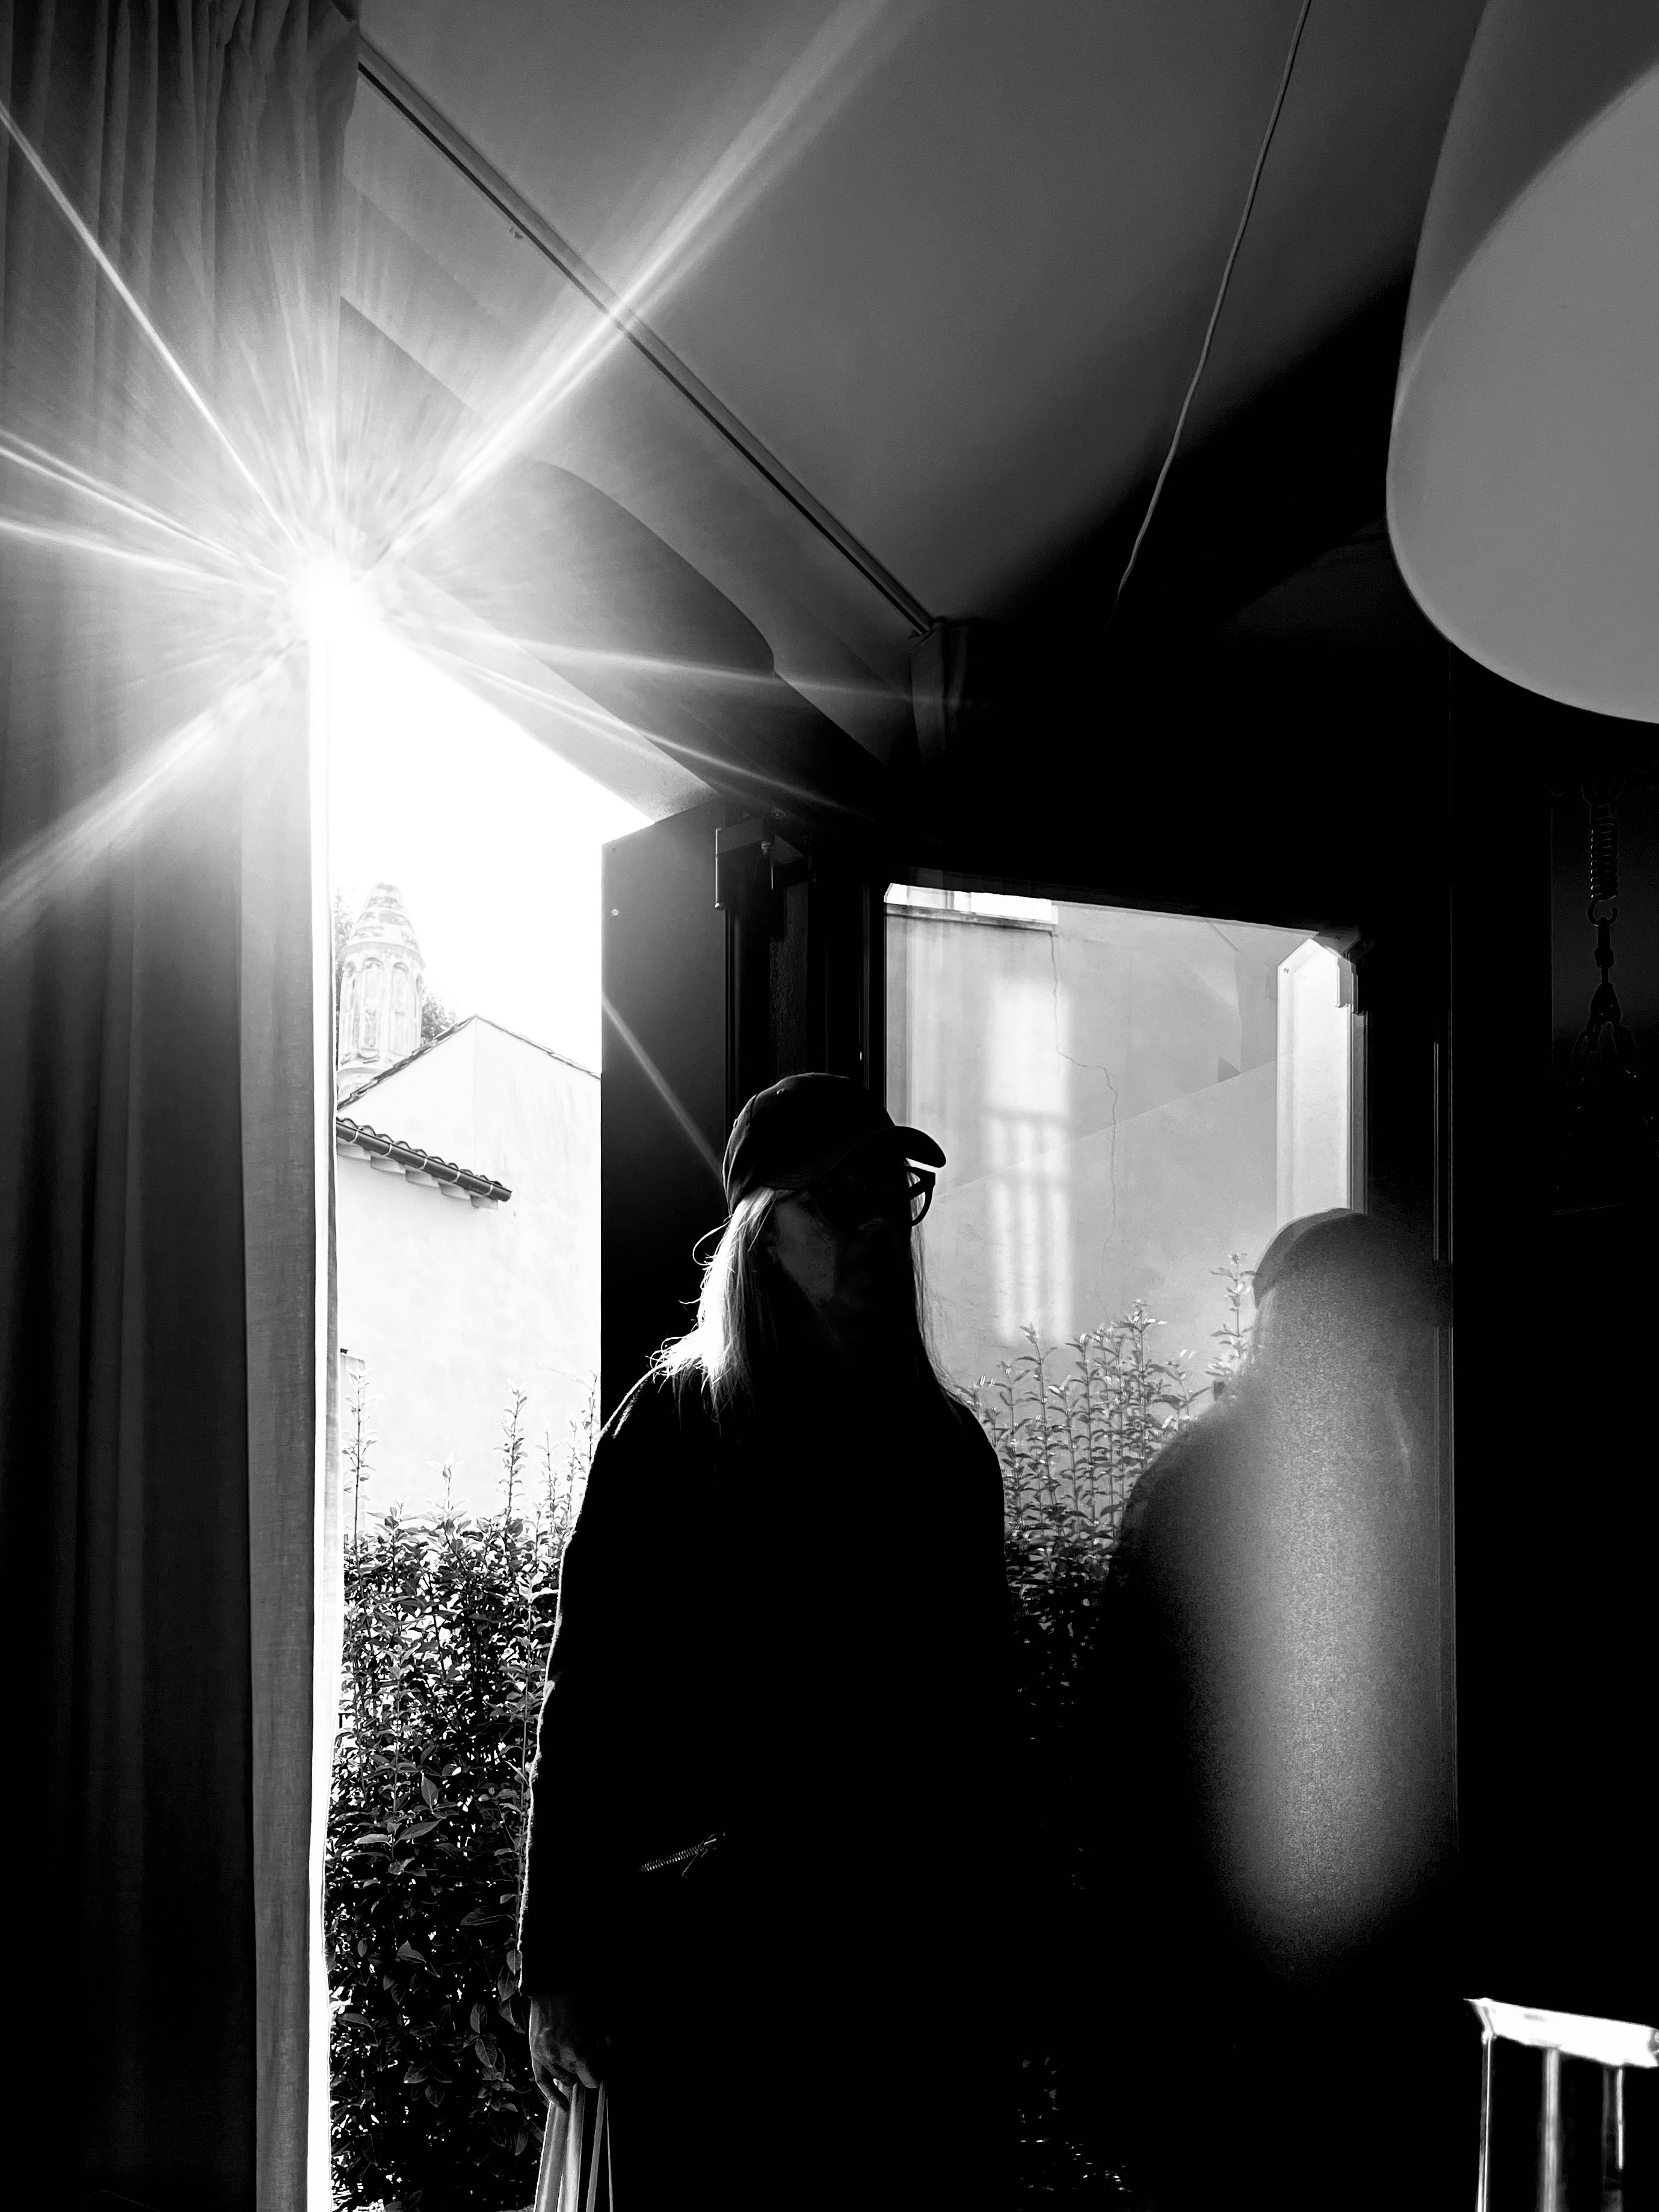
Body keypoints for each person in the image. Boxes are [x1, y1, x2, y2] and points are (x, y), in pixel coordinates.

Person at [515, 1073, 1015, 2211]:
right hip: (710, 1979)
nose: (881, 1221)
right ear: (758, 1229)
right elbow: (586, 1700)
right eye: (842, 1196)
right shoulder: (675, 1422)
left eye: (896, 1191)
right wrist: (559, 1968)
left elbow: (981, 1737)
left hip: (896, 1983)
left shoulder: (945, 1452)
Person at [1089, 1208, 1450, 2211]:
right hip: (1245, 2029)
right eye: (1376, 1330)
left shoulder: (1301, 1479)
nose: (1393, 1361)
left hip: (1274, 2023)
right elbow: (1141, 1776)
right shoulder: (1225, 1484)